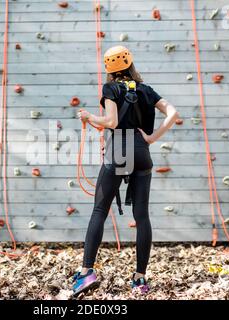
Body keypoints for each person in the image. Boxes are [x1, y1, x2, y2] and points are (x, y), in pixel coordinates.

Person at [73, 46, 179, 296]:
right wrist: (152, 138)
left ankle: (87, 272)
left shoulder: (111, 88)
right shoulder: (145, 90)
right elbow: (173, 113)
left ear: (109, 70)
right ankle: (140, 279)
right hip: (142, 152)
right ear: (130, 64)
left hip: (118, 152)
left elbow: (111, 122)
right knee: (142, 216)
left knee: (100, 210)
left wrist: (89, 116)